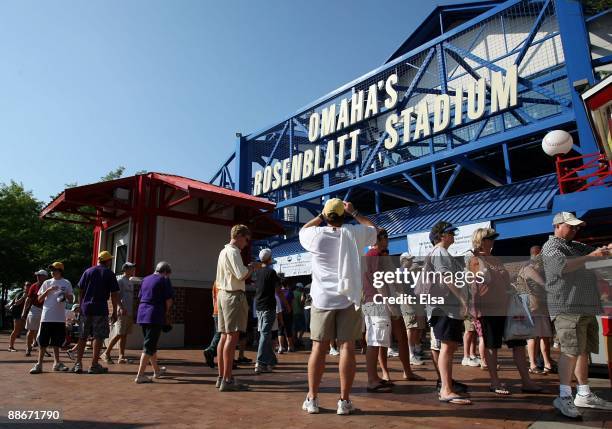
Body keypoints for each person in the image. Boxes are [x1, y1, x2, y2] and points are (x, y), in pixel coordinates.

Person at [299, 198, 377, 415]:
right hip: (348, 298)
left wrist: (321, 217)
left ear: (326, 216)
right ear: (343, 215)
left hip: (322, 299)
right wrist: (355, 212)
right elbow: (374, 228)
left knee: (318, 348)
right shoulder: (353, 233)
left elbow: (303, 229)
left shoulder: (316, 235)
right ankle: (344, 401)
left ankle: (312, 398)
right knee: (347, 347)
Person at [541, 212, 612, 418]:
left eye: (576, 227)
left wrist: (605, 250)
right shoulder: (552, 247)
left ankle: (584, 393)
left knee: (582, 351)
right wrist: (592, 257)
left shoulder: (575, 245)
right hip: (567, 307)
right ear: (557, 226)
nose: (574, 230)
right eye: (570, 226)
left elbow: (600, 252)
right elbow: (561, 268)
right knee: (570, 351)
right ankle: (564, 396)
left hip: (584, 306)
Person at [467, 228, 542, 396]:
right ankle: (495, 381)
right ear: (481, 240)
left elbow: (506, 282)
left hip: (507, 308)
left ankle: (526, 381)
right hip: (488, 309)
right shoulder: (475, 260)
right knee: (492, 345)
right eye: (490, 238)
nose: (493, 241)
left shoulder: (496, 259)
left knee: (518, 343)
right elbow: (483, 279)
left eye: (493, 238)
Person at [426, 221, 470, 405]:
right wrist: (462, 299)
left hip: (443, 307)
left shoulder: (439, 253)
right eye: (451, 233)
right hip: (445, 308)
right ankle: (446, 389)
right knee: (446, 347)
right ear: (441, 235)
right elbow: (446, 277)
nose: (454, 236)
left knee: (448, 347)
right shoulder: (441, 252)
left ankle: (446, 386)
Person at [215, 224, 259, 392]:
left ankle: (222, 377)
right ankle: (227, 379)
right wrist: (251, 267)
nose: (246, 243)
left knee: (224, 336)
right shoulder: (233, 252)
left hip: (222, 294)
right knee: (232, 338)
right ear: (240, 236)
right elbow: (241, 275)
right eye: (246, 239)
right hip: (233, 295)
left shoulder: (223, 251)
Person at [73, 250, 123, 374]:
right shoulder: (109, 273)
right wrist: (115, 312)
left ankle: (78, 364)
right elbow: (114, 294)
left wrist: (80, 306)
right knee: (98, 336)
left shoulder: (88, 271)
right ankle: (94, 365)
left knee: (82, 336)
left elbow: (80, 290)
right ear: (108, 261)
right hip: (100, 308)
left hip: (85, 308)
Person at [514, 246, 555, 374]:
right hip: (533, 305)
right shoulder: (529, 268)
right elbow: (543, 284)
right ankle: (534, 364)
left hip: (536, 305)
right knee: (536, 336)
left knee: (542, 335)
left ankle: (544, 363)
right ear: (538, 255)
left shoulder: (528, 268)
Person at [30, 262, 74, 374]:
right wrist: (48, 290)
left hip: (59, 317)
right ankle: (39, 364)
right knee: (43, 341)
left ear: (60, 271)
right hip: (47, 316)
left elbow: (71, 300)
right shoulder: (47, 282)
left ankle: (56, 363)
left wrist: (65, 294)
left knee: (57, 342)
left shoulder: (66, 282)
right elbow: (39, 299)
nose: (52, 272)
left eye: (54, 269)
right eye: (51, 270)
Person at [134, 261, 174, 383]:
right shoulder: (164, 280)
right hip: (155, 314)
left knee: (151, 344)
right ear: (166, 272)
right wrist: (167, 313)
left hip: (142, 314)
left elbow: (140, 296)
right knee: (149, 346)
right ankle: (140, 375)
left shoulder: (145, 279)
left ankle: (156, 371)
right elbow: (169, 300)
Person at [254, 248, 283, 374]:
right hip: (269, 306)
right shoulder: (272, 273)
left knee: (265, 334)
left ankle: (271, 361)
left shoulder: (257, 273)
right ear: (270, 259)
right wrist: (286, 305)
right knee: (266, 334)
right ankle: (260, 363)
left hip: (259, 307)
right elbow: (278, 290)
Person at [103, 262, 136, 364]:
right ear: (125, 269)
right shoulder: (120, 280)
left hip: (129, 311)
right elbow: (115, 296)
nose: (133, 270)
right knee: (119, 333)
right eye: (131, 268)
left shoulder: (130, 282)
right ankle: (106, 353)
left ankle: (121, 357)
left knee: (124, 335)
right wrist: (120, 307)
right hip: (122, 311)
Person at [399, 253, 428, 366]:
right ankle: (411, 355)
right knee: (410, 328)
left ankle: (415, 351)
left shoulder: (408, 273)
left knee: (414, 328)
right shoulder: (400, 273)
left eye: (411, 259)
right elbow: (399, 289)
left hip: (412, 302)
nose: (411, 261)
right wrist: (405, 300)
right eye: (409, 259)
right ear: (403, 260)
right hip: (407, 303)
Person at [21, 270, 49, 356]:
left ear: (45, 277)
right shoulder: (34, 286)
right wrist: (24, 312)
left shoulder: (49, 285)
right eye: (37, 275)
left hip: (46, 309)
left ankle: (43, 349)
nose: (38, 277)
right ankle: (28, 348)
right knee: (31, 330)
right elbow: (28, 299)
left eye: (40, 275)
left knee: (44, 331)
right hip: (35, 309)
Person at [203, 282, 220, 368]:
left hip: (216, 311)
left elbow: (213, 298)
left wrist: (215, 310)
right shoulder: (224, 280)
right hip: (222, 311)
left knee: (218, 333)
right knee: (222, 334)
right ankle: (211, 350)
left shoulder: (216, 282)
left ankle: (211, 352)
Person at [8, 282, 29, 352]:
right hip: (17, 313)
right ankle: (10, 347)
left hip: (25, 314)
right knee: (16, 330)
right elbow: (16, 303)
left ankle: (30, 346)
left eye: (29, 285)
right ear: (24, 286)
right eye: (27, 285)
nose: (28, 286)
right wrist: (23, 297)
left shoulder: (31, 294)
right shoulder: (20, 293)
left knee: (31, 330)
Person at [278, 282, 294, 353]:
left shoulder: (277, 292)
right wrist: (291, 310)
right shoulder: (290, 292)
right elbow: (292, 303)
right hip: (287, 312)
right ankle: (290, 346)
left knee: (280, 330)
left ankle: (281, 347)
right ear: (287, 284)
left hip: (279, 312)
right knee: (288, 329)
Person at [292, 283, 306, 348]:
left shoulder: (292, 293)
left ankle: (295, 341)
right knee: (303, 327)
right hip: (300, 313)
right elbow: (302, 303)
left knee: (295, 328)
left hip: (293, 313)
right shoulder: (301, 294)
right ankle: (299, 339)